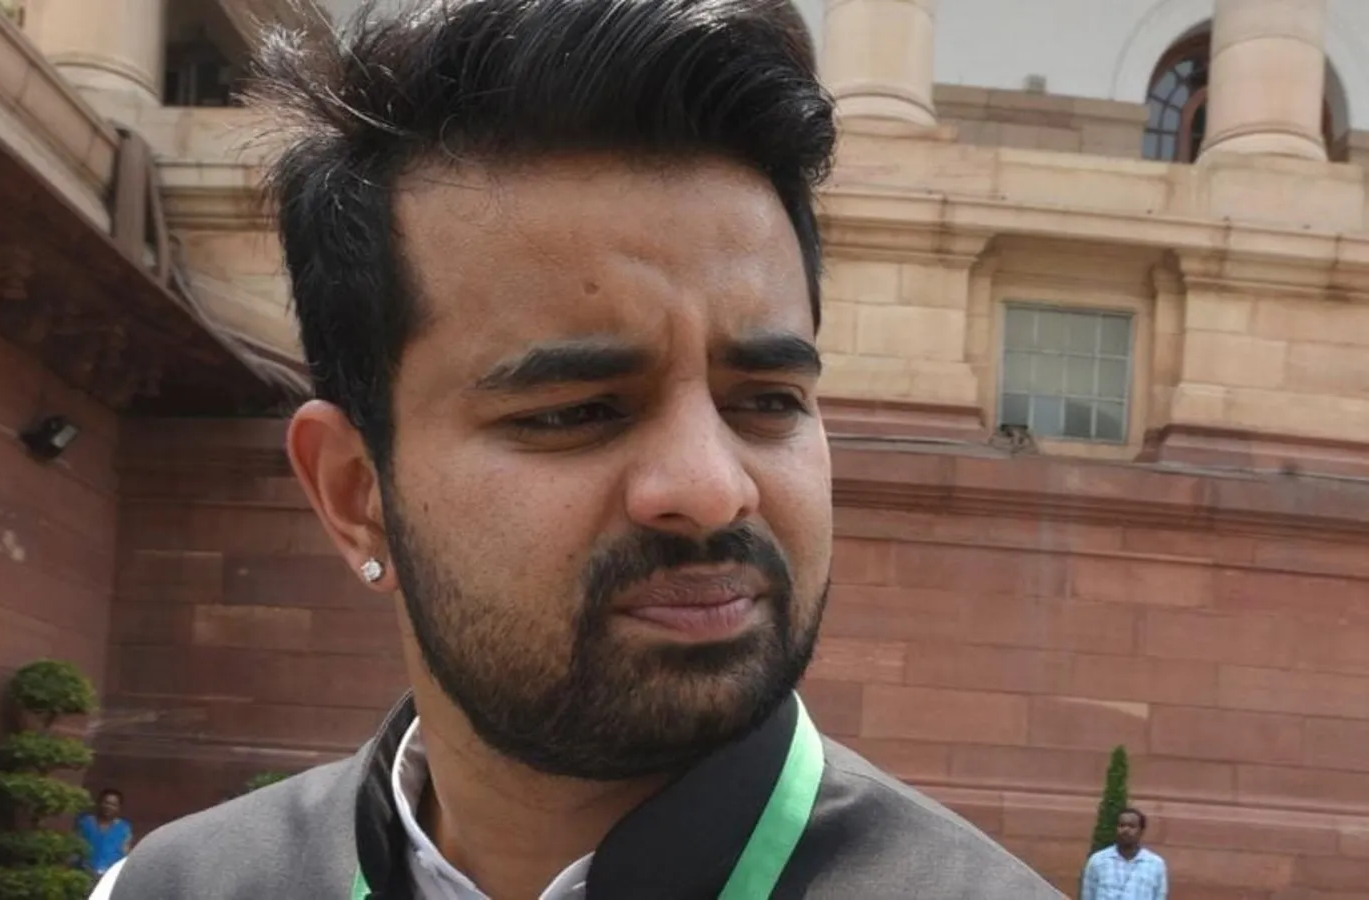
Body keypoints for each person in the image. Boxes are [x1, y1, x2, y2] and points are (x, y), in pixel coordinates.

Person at [93, 0, 1063, 896]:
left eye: (767, 400)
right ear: (354, 493)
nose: (712, 487)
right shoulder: (174, 888)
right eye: (576, 412)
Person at [1081, 808, 1169, 900]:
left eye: (1132, 826)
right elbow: (1088, 896)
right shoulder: (1098, 861)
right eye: (1121, 825)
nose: (1125, 830)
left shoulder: (1155, 864)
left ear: (1141, 831)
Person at [75, 788, 132, 882]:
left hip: (109, 877)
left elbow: (125, 853)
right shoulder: (85, 823)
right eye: (106, 803)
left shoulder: (124, 828)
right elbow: (76, 848)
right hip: (84, 875)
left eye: (113, 805)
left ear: (119, 808)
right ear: (99, 803)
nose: (108, 807)